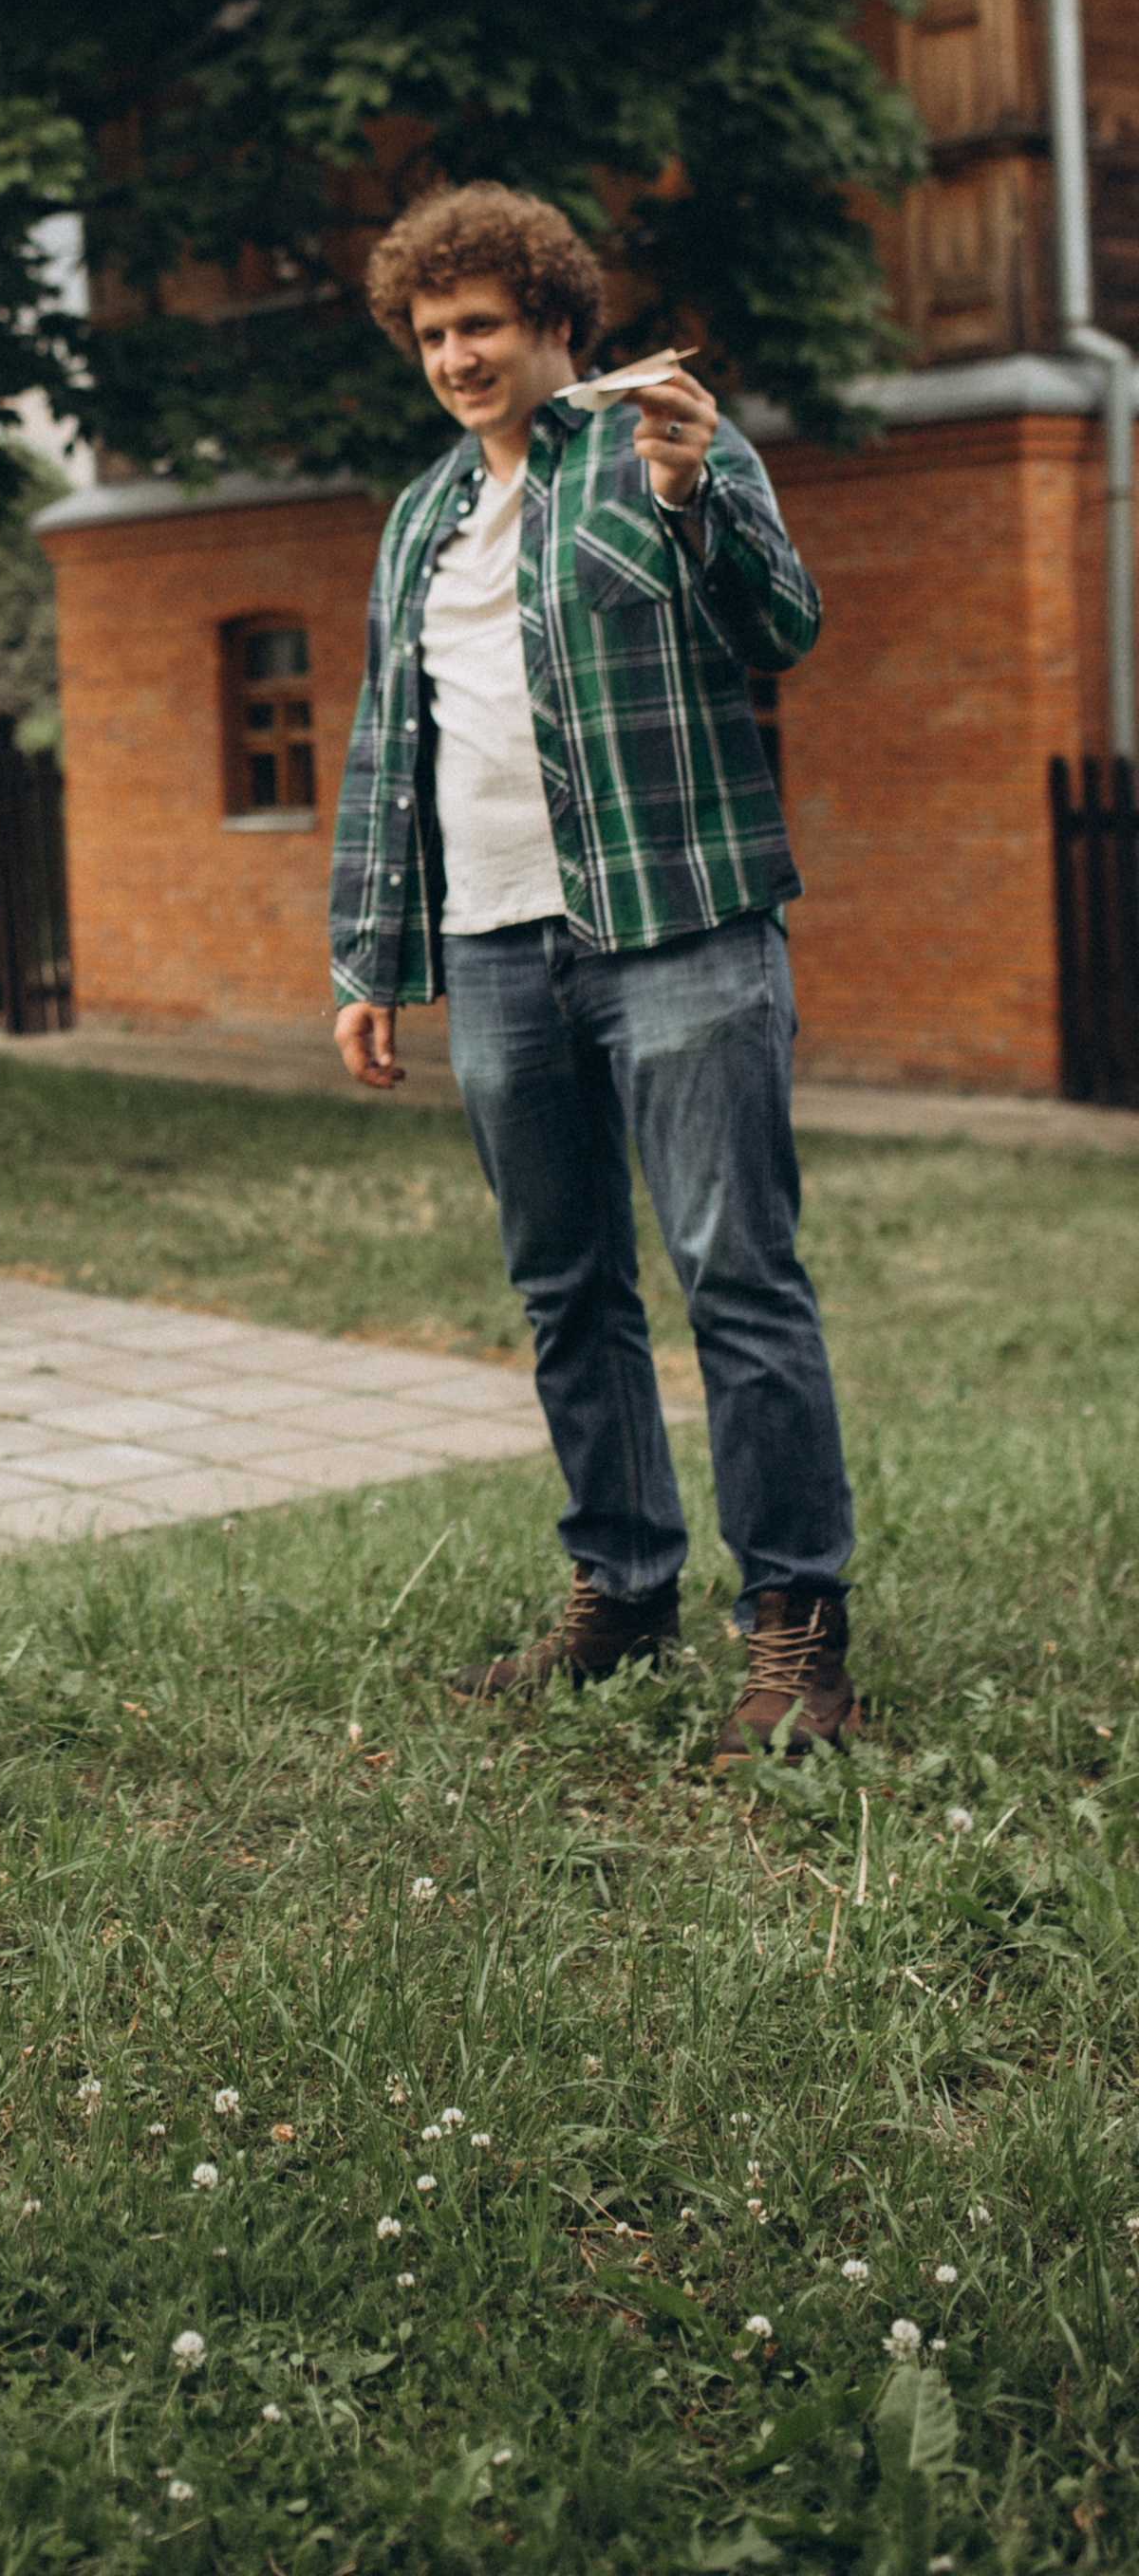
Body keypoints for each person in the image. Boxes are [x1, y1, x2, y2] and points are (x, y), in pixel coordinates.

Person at [327, 182, 858, 1763]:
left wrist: (699, 500)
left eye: (482, 325)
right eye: (432, 333)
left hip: (680, 924)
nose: (456, 357)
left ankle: (797, 1630)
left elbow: (784, 628)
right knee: (566, 1287)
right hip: (496, 946)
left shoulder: (665, 444)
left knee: (735, 1275)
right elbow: (389, 745)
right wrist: (371, 955)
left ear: (558, 319)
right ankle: (623, 1592)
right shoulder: (420, 516)